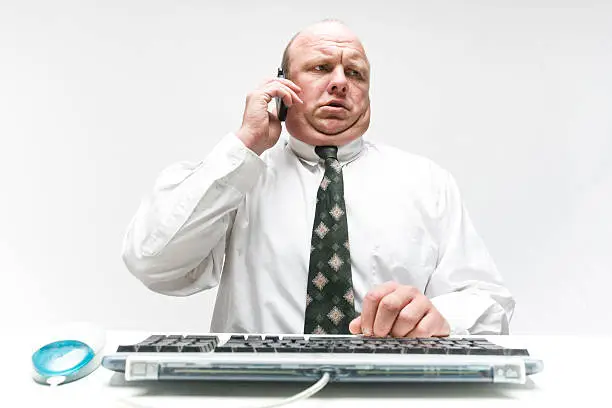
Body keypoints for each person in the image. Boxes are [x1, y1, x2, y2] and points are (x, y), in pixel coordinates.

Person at [121, 19, 515, 337]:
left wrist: (441, 317)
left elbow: (488, 302)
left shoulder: (427, 182)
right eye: (321, 68)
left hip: (391, 390)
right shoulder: (238, 175)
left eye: (356, 73)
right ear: (281, 86)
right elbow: (154, 263)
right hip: (259, 391)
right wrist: (245, 145)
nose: (341, 82)